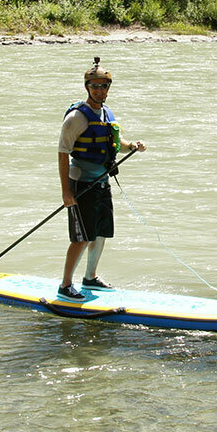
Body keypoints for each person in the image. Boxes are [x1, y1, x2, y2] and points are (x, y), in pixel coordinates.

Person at [57, 57, 146, 301]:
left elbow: (117, 144)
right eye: (95, 86)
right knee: (82, 237)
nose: (99, 90)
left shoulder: (107, 114)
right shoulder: (76, 118)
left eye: (104, 86)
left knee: (100, 233)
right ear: (87, 87)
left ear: (109, 88)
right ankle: (65, 286)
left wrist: (133, 146)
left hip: (102, 182)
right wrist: (67, 193)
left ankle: (90, 278)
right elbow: (63, 154)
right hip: (82, 185)